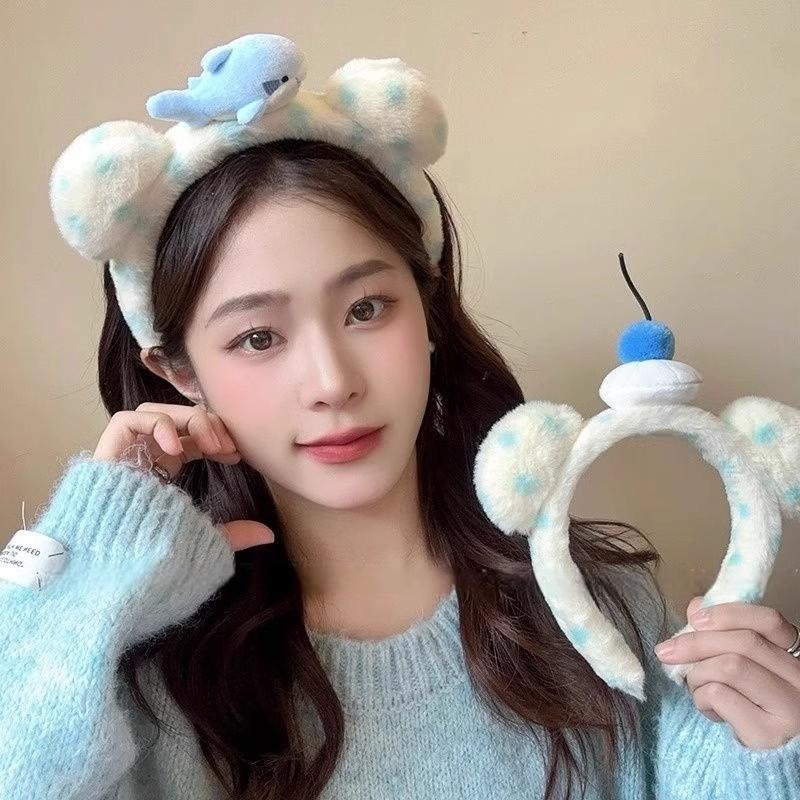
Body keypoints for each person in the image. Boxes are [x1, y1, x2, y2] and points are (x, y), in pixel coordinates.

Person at [2, 36, 799, 800]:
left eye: (366, 309)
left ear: (428, 310)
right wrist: (84, 566)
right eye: (258, 338)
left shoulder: (603, 614)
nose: (332, 383)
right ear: (180, 375)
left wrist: (773, 750)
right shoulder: (136, 682)